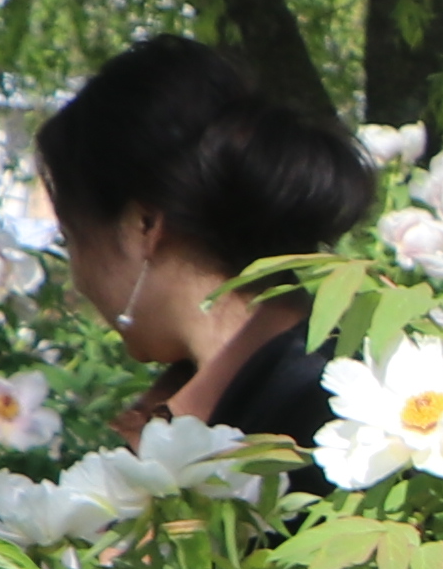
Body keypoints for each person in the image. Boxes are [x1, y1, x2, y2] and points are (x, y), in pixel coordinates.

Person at [30, 35, 368, 456]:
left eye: (71, 240)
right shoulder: (202, 405)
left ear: (144, 225)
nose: (78, 279)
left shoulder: (324, 425)